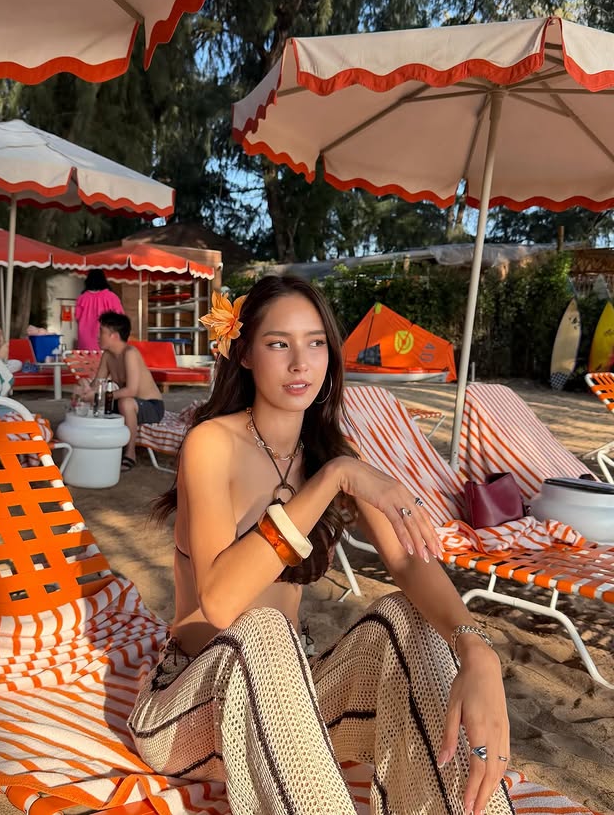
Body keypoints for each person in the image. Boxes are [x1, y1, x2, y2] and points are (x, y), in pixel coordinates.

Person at [127, 277, 512, 815]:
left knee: (409, 619)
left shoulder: (329, 453)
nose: (299, 363)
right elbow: (221, 601)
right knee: (263, 628)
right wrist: (332, 479)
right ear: (244, 354)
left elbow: (407, 563)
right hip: (189, 711)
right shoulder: (212, 444)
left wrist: (475, 647)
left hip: (288, 712)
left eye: (315, 343)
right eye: (278, 343)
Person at [77, 311, 164, 471]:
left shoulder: (130, 353)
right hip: (129, 403)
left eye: (101, 332)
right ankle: (95, 446)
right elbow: (98, 384)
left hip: (151, 406)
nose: (97, 336)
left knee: (124, 402)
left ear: (114, 336)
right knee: (98, 403)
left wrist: (99, 395)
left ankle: (130, 454)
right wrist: (86, 388)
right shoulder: (108, 355)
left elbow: (131, 391)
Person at [75, 269, 124, 351]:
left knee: (86, 359)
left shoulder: (82, 298)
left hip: (85, 341)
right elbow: (120, 318)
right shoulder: (111, 297)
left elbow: (77, 317)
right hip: (107, 339)